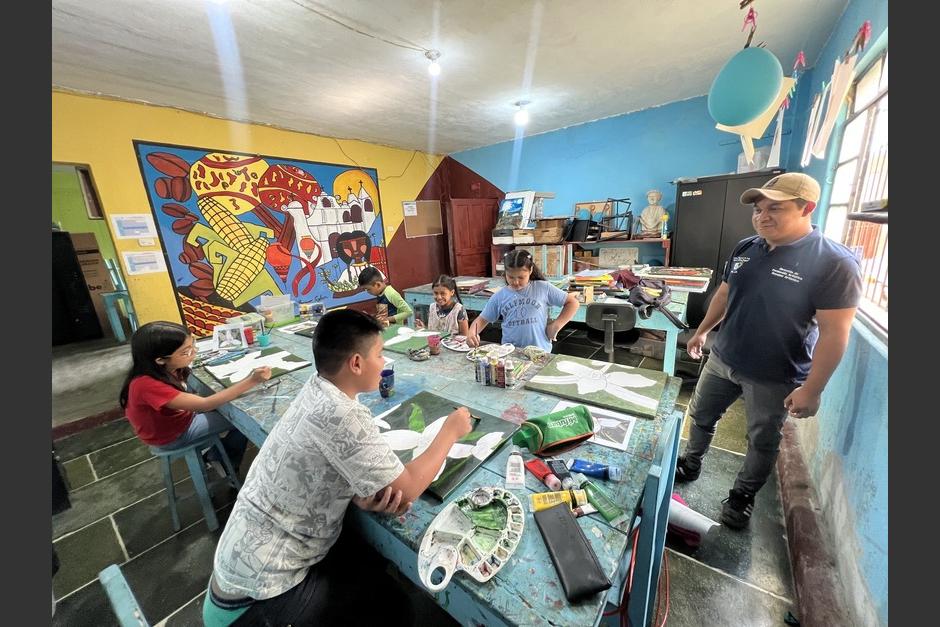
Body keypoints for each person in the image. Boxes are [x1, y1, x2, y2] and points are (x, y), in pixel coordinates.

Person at [204, 309, 473, 625]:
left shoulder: (319, 388)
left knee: (368, 560)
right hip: (259, 598)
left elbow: (336, 458)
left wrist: (354, 488)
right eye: (379, 354)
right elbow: (405, 489)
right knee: (395, 607)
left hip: (239, 565)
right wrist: (450, 431)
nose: (384, 362)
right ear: (356, 363)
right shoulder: (341, 415)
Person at [675, 173, 861, 529]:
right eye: (758, 209)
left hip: (774, 375)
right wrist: (702, 333)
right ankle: (691, 461)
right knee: (700, 416)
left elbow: (836, 334)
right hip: (723, 358)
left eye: (775, 208)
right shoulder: (747, 247)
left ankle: (743, 496)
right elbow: (725, 295)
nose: (762, 216)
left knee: (761, 440)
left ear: (807, 208)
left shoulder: (834, 262)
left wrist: (812, 390)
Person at [119, 321, 270, 476]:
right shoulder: (146, 384)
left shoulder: (163, 368)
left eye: (193, 345)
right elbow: (204, 404)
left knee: (230, 409)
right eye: (186, 352)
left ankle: (218, 454)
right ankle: (222, 460)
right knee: (244, 420)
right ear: (160, 359)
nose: (194, 353)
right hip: (172, 435)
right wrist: (253, 380)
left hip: (177, 420)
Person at [466, 249, 580, 352]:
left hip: (540, 351)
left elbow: (572, 303)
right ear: (505, 272)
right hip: (511, 352)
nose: (516, 282)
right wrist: (472, 333)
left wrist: (556, 325)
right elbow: (482, 319)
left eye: (521, 277)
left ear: (530, 271)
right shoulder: (500, 296)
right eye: (510, 277)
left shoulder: (543, 288)